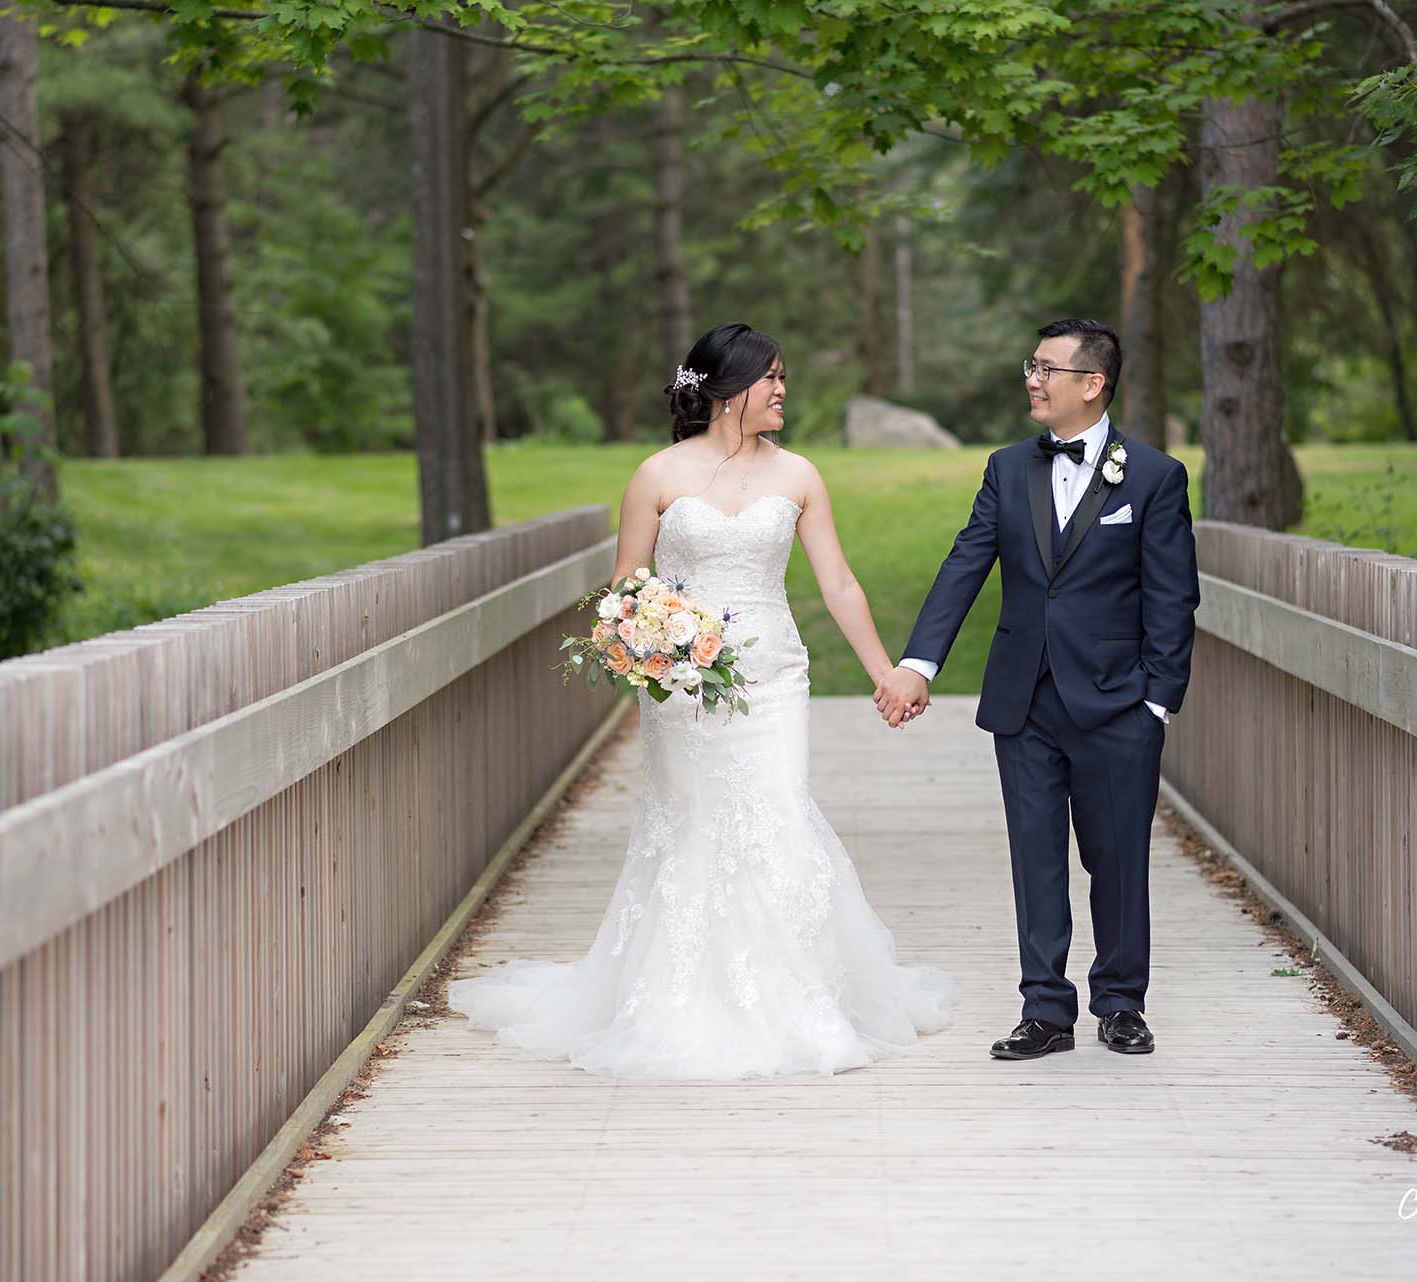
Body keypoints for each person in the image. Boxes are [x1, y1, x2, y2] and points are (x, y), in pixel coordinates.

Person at [447, 321, 955, 1079]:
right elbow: (625, 584)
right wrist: (652, 638)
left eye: (785, 377)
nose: (783, 390)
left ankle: (800, 1004)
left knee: (777, 816)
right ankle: (682, 1004)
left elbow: (839, 583)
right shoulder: (656, 476)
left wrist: (886, 671)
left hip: (774, 676)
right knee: (693, 829)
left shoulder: (801, 476)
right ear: (723, 391)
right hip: (681, 686)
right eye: (770, 377)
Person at [876, 318, 1200, 1060]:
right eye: (1032, 365)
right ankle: (1045, 1010)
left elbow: (1173, 597)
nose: (1032, 378)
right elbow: (966, 563)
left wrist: (1158, 701)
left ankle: (1120, 1004)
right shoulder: (1005, 467)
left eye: (1047, 368)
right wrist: (918, 665)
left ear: (1092, 384)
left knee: (1117, 858)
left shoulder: (1152, 476)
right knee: (1035, 856)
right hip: (1024, 698)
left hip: (1120, 702)